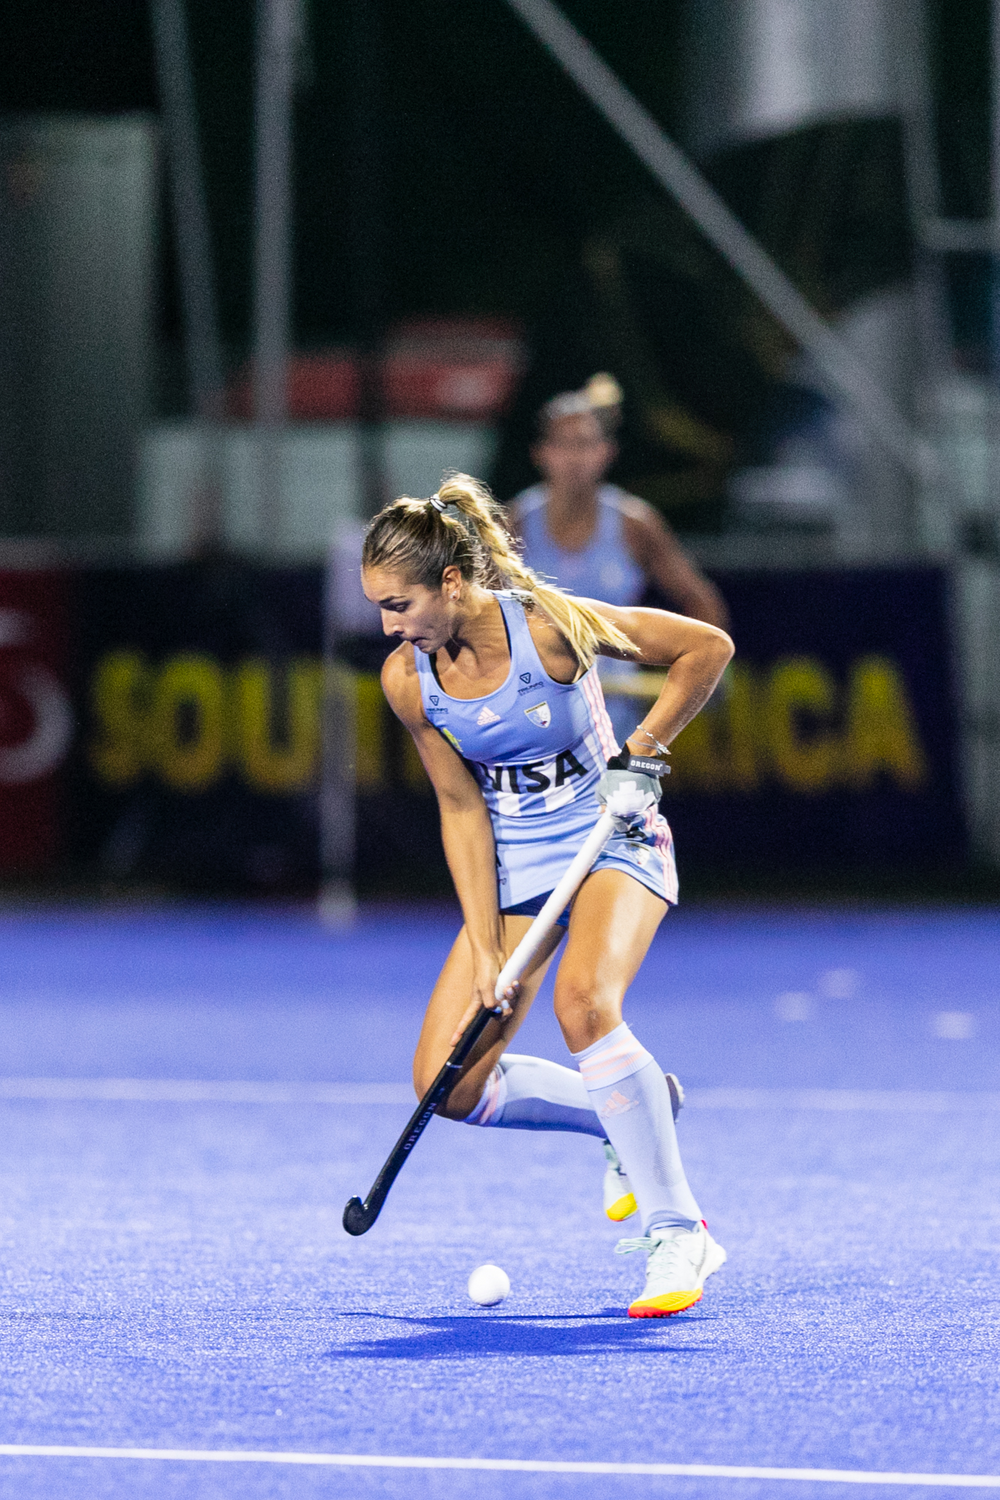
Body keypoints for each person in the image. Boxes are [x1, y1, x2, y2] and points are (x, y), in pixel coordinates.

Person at [360, 472, 733, 1317]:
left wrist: (643, 753)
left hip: (612, 838)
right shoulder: (408, 680)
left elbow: (705, 648)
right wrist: (484, 947)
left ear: (450, 583)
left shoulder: (549, 628)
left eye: (399, 605)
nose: (390, 626)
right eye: (381, 609)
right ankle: (628, 1112)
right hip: (518, 870)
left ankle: (680, 1233)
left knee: (584, 1007)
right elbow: (461, 810)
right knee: (448, 1085)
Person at [508, 383, 729, 745]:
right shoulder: (512, 524)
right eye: (563, 445)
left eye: (585, 444)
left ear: (606, 452)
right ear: (541, 453)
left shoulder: (635, 524)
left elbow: (700, 600)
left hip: (617, 728)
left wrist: (707, 674)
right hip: (534, 728)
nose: (574, 458)